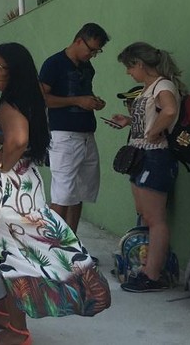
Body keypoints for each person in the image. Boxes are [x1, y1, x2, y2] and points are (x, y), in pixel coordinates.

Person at [0, 43, 110, 345]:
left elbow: (18, 140)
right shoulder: (21, 99)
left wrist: (3, 164)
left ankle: (17, 332)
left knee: (11, 260)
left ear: (14, 73)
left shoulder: (12, 106)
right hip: (17, 189)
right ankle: (2, 312)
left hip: (8, 196)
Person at [105, 42, 184, 293]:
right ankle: (146, 266)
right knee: (144, 213)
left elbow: (169, 110)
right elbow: (153, 116)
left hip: (156, 157)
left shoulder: (162, 85)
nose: (129, 73)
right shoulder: (148, 88)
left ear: (139, 64)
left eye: (129, 67)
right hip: (141, 157)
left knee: (155, 218)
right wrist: (129, 121)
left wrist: (154, 131)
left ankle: (152, 275)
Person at [39, 23, 110, 233]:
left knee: (77, 195)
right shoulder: (54, 64)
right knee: (61, 196)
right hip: (64, 137)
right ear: (79, 41)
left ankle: (71, 247)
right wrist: (78, 101)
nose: (93, 55)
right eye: (91, 49)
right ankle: (51, 250)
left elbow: (81, 96)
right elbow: (41, 98)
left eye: (97, 51)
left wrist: (93, 102)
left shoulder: (88, 68)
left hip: (87, 135)